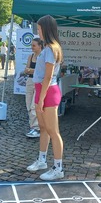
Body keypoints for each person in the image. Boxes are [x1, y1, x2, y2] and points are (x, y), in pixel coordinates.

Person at [26, 15, 65, 181]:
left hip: (47, 92)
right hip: (41, 91)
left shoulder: (50, 49)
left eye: (39, 29)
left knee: (53, 131)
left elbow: (48, 77)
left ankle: (58, 168)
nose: (38, 31)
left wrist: (41, 100)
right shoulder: (48, 47)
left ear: (46, 29)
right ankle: (42, 160)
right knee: (43, 128)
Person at [24, 36, 44, 138]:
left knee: (33, 106)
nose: (32, 47)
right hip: (30, 81)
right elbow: (25, 70)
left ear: (40, 46)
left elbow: (42, 72)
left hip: (39, 83)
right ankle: (33, 127)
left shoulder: (43, 57)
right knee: (28, 104)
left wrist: (31, 70)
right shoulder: (30, 56)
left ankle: (36, 128)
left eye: (34, 45)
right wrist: (31, 70)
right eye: (31, 45)